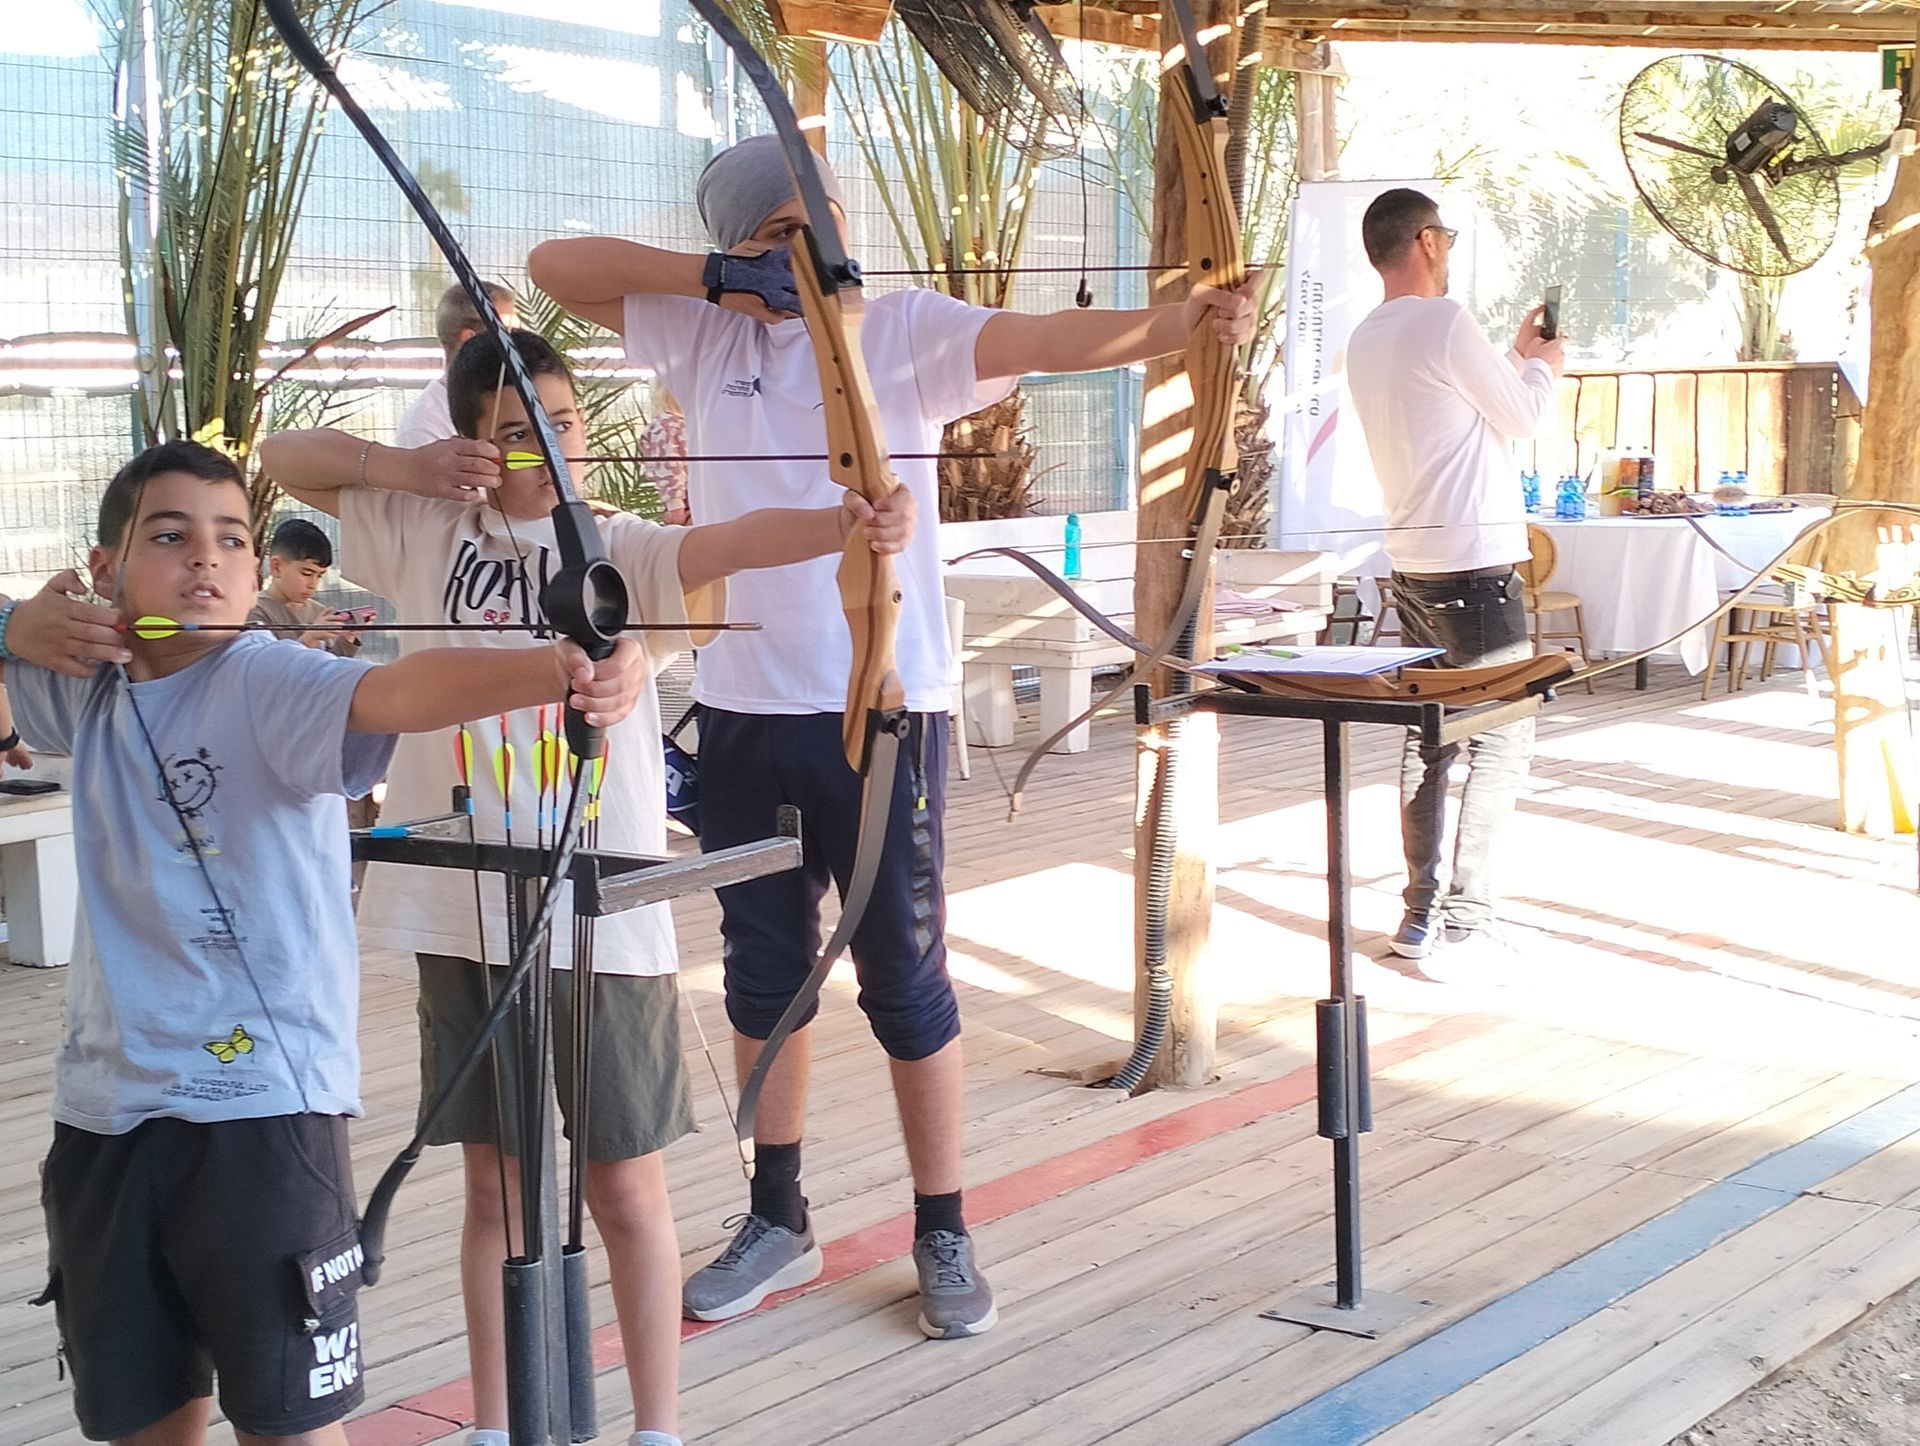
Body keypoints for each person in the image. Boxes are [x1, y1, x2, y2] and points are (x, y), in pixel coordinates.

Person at [526, 132, 1259, 1340]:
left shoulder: (903, 327)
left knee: (905, 978)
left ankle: (943, 1226)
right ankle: (778, 1217)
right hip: (745, 707)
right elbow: (556, 266)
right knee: (763, 974)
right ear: (739, 242)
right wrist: (722, 281)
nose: (815, 245)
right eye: (783, 227)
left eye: (822, 220)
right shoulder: (703, 333)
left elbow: (1043, 338)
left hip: (882, 705)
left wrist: (1182, 324)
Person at [255, 325, 914, 1446]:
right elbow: (284, 455)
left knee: (624, 1185)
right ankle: (493, 1425)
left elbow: (726, 544)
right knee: (497, 1187)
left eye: (562, 423)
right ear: (473, 445)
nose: (552, 447)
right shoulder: (424, 526)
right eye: (519, 432)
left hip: (602, 916)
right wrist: (410, 466)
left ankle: (654, 1429)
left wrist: (846, 521)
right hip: (467, 907)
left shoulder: (613, 546)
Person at [0, 438, 647, 1446]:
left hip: (263, 1112)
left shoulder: (268, 678)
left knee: (290, 1424)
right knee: (142, 1419)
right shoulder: (85, 680)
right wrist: (15, 625)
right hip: (106, 1111)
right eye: (168, 537)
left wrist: (560, 665)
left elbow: (400, 690)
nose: (205, 559)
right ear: (104, 568)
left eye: (231, 540)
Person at [1344, 188, 1565, 965]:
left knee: (1429, 735)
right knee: (1504, 736)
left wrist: (1514, 359)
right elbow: (1521, 418)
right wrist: (1543, 367)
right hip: (1475, 565)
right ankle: (1467, 919)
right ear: (1428, 242)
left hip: (1413, 564)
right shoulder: (1443, 320)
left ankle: (1419, 915)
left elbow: (1457, 407)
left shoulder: (1369, 335)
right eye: (1449, 238)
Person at [396, 281, 519, 447]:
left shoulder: (505, 398)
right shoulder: (425, 425)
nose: (519, 342)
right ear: (470, 339)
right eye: (508, 333)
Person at [248, 516, 364, 655]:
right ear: (277, 567)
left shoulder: (319, 611)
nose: (313, 584)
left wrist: (347, 638)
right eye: (307, 573)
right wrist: (310, 638)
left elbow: (332, 664)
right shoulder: (255, 611)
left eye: (319, 575)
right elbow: (263, 664)